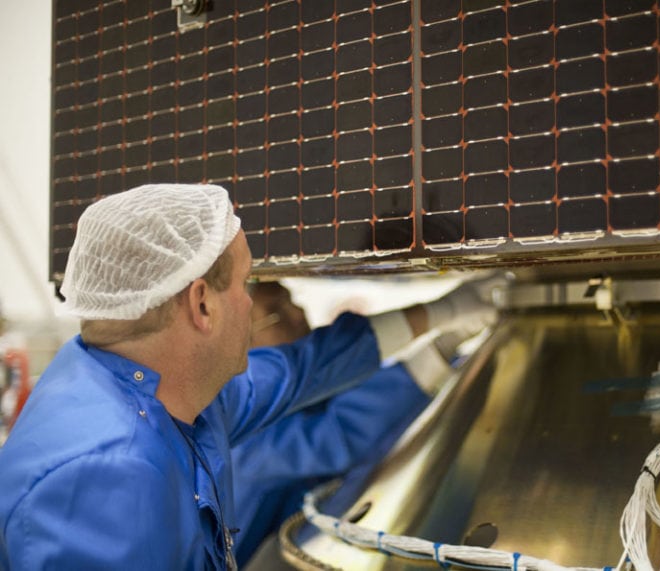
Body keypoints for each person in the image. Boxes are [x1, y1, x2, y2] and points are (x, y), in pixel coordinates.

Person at [0, 183, 496, 570]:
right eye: (244, 284)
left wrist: (444, 312)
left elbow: (300, 370)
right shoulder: (111, 477)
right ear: (202, 304)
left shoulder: (155, 386)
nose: (247, 303)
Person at [232, 282, 475, 566]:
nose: (298, 313)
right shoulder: (238, 431)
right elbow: (333, 437)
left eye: (291, 300)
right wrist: (437, 348)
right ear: (239, 340)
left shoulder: (302, 400)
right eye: (276, 310)